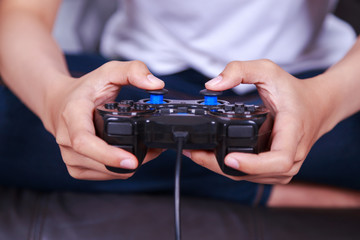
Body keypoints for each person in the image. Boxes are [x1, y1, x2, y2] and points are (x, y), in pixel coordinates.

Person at [0, 0, 359, 207]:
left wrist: (322, 102)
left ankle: (208, 167)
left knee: (116, 143)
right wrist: (55, 98)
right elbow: (20, 13)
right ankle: (248, 182)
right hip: (141, 82)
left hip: (305, 83)